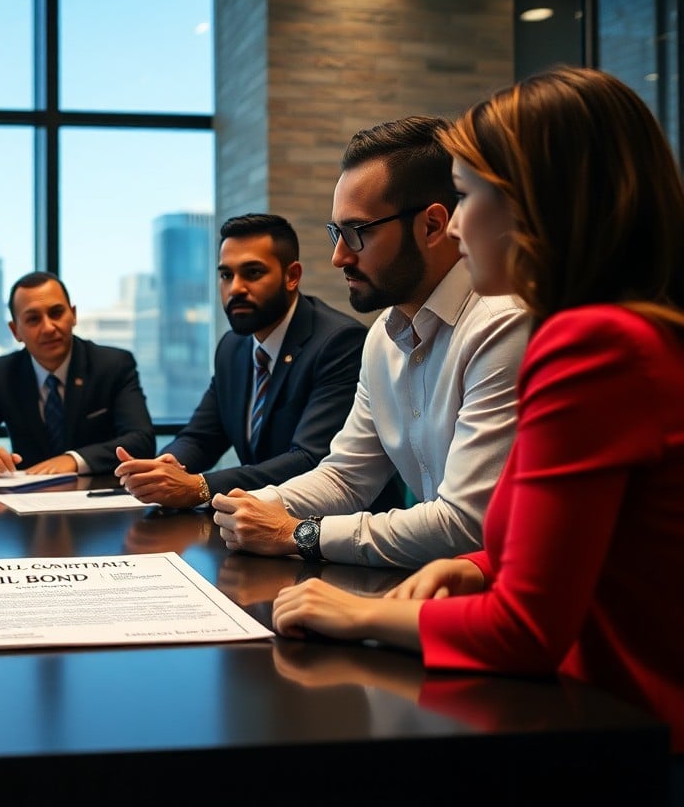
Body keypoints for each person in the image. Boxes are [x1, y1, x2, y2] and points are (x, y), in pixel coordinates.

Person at [267, 67, 684, 757]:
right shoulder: (624, 332)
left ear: (536, 205)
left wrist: (358, 614)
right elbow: (585, 546)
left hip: (632, 733)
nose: (455, 226)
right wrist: (483, 567)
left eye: (465, 196)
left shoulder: (592, 345)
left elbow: (525, 630)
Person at [213, 116, 528, 568]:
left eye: (358, 232)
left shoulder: (501, 323)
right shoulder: (383, 333)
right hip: (441, 585)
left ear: (433, 226)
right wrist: (247, 504)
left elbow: (467, 524)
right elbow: (346, 477)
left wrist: (299, 534)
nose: (339, 255)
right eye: (336, 232)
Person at [114, 213, 367, 508]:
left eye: (253, 273)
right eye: (226, 275)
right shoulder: (232, 347)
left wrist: (201, 487)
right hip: (256, 524)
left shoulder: (339, 343)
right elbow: (201, 437)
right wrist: (165, 466)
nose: (235, 288)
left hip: (333, 529)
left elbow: (311, 459)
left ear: (292, 276)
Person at [0, 271, 155, 476]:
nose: (48, 327)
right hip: (26, 503)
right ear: (16, 331)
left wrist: (73, 460)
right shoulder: (1, 374)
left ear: (73, 315)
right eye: (33, 319)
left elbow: (141, 440)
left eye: (56, 313)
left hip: (100, 497)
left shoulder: (113, 365)